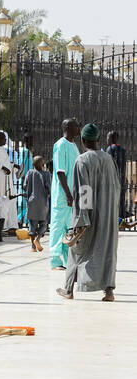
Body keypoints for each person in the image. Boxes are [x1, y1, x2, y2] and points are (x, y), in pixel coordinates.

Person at [57, 123, 119, 302]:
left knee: (75, 251)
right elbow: (116, 188)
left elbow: (84, 191)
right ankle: (109, 291)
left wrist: (81, 219)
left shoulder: (82, 160)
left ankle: (68, 289)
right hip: (108, 216)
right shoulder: (108, 159)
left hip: (88, 215)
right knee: (107, 251)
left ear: (83, 140)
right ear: (98, 140)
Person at [49, 119, 83, 270]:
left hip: (72, 193)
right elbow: (60, 172)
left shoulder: (74, 145)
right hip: (63, 195)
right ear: (68, 127)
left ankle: (68, 258)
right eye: (76, 125)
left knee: (68, 227)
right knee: (57, 226)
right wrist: (68, 194)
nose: (79, 128)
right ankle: (55, 260)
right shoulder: (60, 145)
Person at [24, 156, 51, 252]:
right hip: (43, 202)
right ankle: (38, 238)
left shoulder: (29, 173)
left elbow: (24, 185)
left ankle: (32, 247)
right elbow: (49, 187)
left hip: (31, 202)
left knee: (32, 225)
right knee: (44, 223)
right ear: (42, 164)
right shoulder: (46, 174)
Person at [106, 130, 129, 221]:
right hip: (122, 178)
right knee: (121, 199)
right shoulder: (123, 150)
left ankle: (114, 219)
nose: (107, 140)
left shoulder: (110, 149)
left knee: (112, 201)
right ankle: (121, 218)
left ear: (112, 138)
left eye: (108, 138)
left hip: (112, 179)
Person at [13, 132, 34, 227]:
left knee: (26, 200)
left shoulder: (27, 151)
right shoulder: (24, 151)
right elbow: (22, 166)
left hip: (27, 178)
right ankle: (20, 220)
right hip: (25, 179)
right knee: (23, 200)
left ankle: (23, 219)